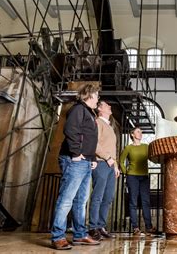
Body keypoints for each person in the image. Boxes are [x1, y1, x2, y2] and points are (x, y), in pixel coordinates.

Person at [50, 84, 101, 250]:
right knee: (66, 199)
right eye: (97, 96)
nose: (98, 99)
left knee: (80, 201)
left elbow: (89, 139)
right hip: (75, 160)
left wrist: (92, 158)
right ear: (89, 95)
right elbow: (70, 130)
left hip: (85, 161)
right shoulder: (78, 109)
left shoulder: (89, 112)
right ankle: (58, 236)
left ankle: (79, 235)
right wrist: (75, 153)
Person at [88, 101, 120, 241]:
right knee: (98, 196)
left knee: (108, 197)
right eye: (107, 106)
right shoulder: (97, 122)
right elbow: (94, 144)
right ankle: (93, 227)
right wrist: (107, 158)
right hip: (101, 163)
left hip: (111, 165)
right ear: (100, 109)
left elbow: (112, 149)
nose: (110, 107)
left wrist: (116, 165)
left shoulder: (109, 126)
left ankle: (101, 226)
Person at [119, 127, 156, 236]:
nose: (141, 133)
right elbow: (121, 161)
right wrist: (127, 172)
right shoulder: (128, 148)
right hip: (132, 177)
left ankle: (148, 227)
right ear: (132, 134)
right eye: (138, 131)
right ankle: (135, 227)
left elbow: (152, 158)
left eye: (141, 132)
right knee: (133, 202)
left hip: (144, 177)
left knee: (146, 201)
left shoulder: (146, 147)